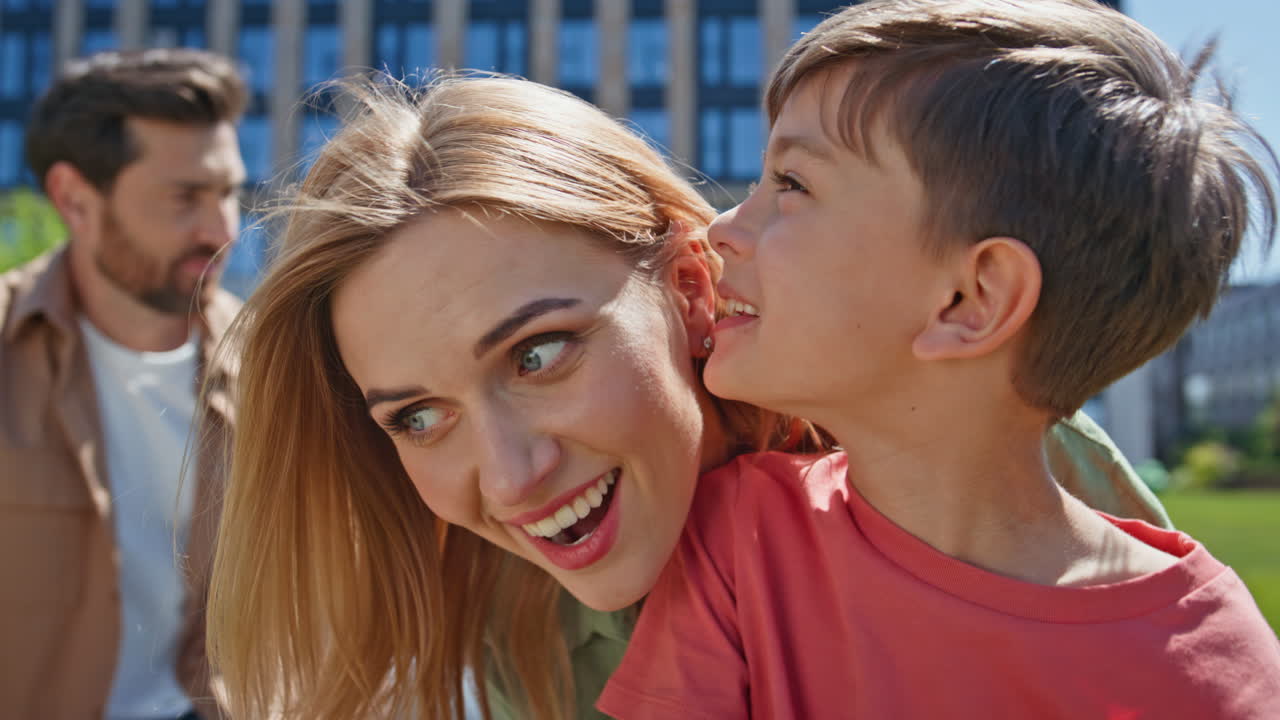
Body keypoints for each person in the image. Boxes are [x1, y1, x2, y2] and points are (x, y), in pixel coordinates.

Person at [206, 74, 1170, 720]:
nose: (508, 477)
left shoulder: (1002, 472)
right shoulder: (518, 617)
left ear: (691, 288)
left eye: (539, 355)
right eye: (418, 417)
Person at [598, 1, 1280, 718]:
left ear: (970, 299)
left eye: (793, 185)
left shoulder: (1215, 670)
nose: (721, 227)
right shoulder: (738, 540)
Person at [0, 49, 247, 719]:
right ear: (75, 200)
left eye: (228, 192)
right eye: (185, 198)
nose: (222, 230)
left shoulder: (274, 369)